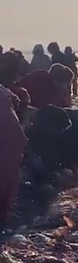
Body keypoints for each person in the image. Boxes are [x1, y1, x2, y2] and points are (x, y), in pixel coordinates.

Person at [0, 85, 26, 229]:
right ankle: (4, 215)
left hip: (8, 139)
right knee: (9, 176)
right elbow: (20, 100)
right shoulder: (2, 90)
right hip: (14, 137)